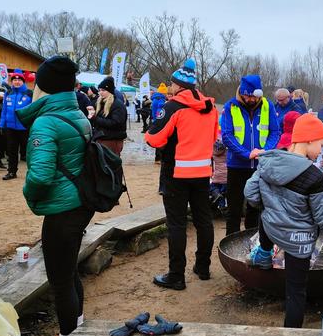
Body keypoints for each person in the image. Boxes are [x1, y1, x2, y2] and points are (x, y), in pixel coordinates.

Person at [244, 114, 323, 327]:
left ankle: (264, 253)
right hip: (298, 242)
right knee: (295, 292)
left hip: (272, 229)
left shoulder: (268, 160)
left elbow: (251, 195)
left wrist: (273, 209)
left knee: (266, 216)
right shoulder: (315, 177)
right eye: (321, 144)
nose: (322, 151)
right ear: (309, 140)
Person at [16, 56, 95, 336]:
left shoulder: (46, 122)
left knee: (60, 279)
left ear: (44, 86)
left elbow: (40, 175)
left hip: (63, 209)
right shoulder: (75, 111)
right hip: (80, 203)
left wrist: (29, 196)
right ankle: (74, 331)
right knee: (69, 269)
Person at [146, 58, 219, 290]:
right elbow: (214, 137)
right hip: (203, 172)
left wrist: (152, 132)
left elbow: (154, 138)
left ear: (178, 85)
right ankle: (203, 267)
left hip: (176, 172)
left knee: (176, 225)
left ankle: (176, 275)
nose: (170, 88)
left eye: (172, 84)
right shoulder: (211, 108)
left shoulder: (172, 107)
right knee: (204, 221)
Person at [221, 74, 281, 236]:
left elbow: (275, 133)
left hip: (260, 165)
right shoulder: (230, 107)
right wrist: (246, 154)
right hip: (237, 166)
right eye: (248, 96)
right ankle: (231, 241)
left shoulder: (268, 106)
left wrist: (264, 151)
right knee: (234, 208)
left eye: (255, 96)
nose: (252, 100)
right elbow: (227, 135)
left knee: (255, 208)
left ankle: (253, 241)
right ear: (242, 93)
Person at [0, 69, 32, 180]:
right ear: (12, 81)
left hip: (24, 128)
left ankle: (33, 173)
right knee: (11, 151)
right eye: (14, 80)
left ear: (23, 81)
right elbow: (4, 110)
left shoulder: (29, 93)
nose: (17, 82)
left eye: (19, 80)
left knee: (29, 152)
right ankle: (12, 172)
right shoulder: (8, 93)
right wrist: (1, 124)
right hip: (10, 128)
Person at [91, 77, 128, 156]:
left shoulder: (117, 104)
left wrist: (95, 118)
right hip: (102, 138)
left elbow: (116, 123)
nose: (100, 92)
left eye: (103, 90)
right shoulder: (101, 103)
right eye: (99, 90)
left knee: (111, 166)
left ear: (110, 91)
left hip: (112, 140)